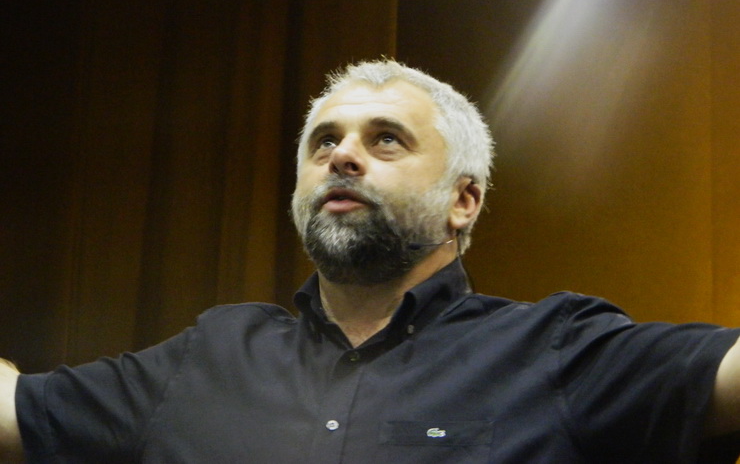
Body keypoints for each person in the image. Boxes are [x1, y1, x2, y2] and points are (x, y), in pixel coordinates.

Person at [1, 59, 740, 463]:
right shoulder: (212, 355)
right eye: (324, 141)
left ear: (464, 201)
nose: (342, 155)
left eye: (386, 139)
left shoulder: (555, 351)